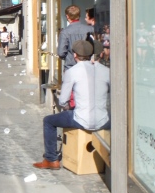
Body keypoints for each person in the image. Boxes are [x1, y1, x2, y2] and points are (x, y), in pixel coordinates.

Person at [33, 40, 110, 170]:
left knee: (48, 121)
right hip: (103, 120)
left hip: (81, 119)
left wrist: (69, 107)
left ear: (75, 55)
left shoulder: (72, 71)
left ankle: (51, 159)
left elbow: (63, 101)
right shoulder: (106, 71)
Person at [58, 5, 94, 71]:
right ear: (79, 15)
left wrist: (68, 57)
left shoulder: (65, 32)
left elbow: (61, 53)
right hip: (88, 67)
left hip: (70, 67)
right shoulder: (90, 29)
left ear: (67, 16)